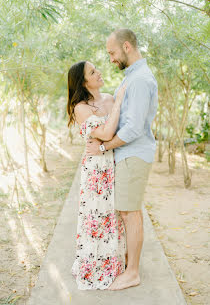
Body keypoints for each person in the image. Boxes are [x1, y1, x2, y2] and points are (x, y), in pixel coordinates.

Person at [86, 28, 158, 291]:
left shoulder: (138, 79)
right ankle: (130, 264)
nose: (111, 59)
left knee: (130, 213)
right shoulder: (132, 76)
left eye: (112, 53)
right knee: (127, 211)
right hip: (128, 154)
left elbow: (133, 129)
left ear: (126, 47)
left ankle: (133, 273)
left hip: (133, 154)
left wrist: (104, 147)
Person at [67, 60, 127, 290]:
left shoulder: (110, 99)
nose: (99, 72)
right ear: (83, 81)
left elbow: (119, 133)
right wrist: (119, 101)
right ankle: (93, 266)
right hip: (95, 170)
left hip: (114, 163)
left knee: (113, 217)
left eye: (96, 69)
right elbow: (105, 132)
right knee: (95, 216)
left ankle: (113, 265)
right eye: (93, 72)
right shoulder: (80, 107)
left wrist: (106, 145)